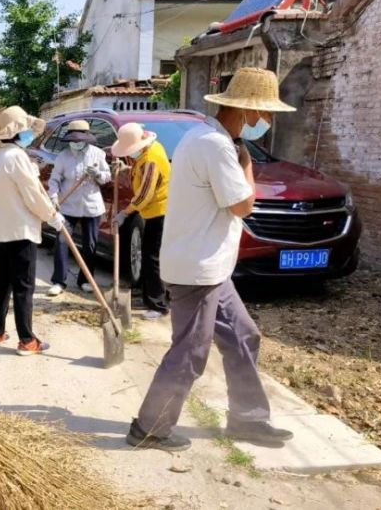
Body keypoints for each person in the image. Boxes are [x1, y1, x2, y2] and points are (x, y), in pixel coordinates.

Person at [126, 68, 295, 451]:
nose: (267, 122)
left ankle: (248, 420)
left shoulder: (208, 137)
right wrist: (247, 160)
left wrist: (240, 152)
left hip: (212, 266)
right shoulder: (217, 146)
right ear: (248, 112)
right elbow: (244, 205)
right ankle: (149, 428)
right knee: (190, 351)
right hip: (196, 269)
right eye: (266, 115)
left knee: (242, 335)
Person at [0, 106, 65, 355]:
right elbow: (32, 195)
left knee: (3, 282)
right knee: (23, 286)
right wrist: (53, 217)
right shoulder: (17, 157)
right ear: (18, 131)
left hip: (3, 230)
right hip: (20, 231)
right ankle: (27, 340)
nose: (30, 133)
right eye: (26, 130)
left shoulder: (1, 156)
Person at [111, 123, 171, 319]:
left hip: (159, 211)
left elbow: (145, 194)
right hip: (152, 211)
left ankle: (158, 305)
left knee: (152, 258)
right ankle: (148, 295)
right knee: (148, 255)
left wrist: (125, 213)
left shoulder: (152, 158)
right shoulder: (150, 150)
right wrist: (127, 167)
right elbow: (142, 172)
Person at [46, 120, 111, 296]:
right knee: (61, 241)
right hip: (67, 205)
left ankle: (86, 280)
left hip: (91, 206)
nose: (77, 143)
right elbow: (54, 179)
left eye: (80, 140)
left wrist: (97, 174)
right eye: (73, 140)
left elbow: (107, 176)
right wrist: (53, 197)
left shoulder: (97, 154)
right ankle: (59, 281)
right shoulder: (63, 157)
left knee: (90, 245)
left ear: (87, 138)